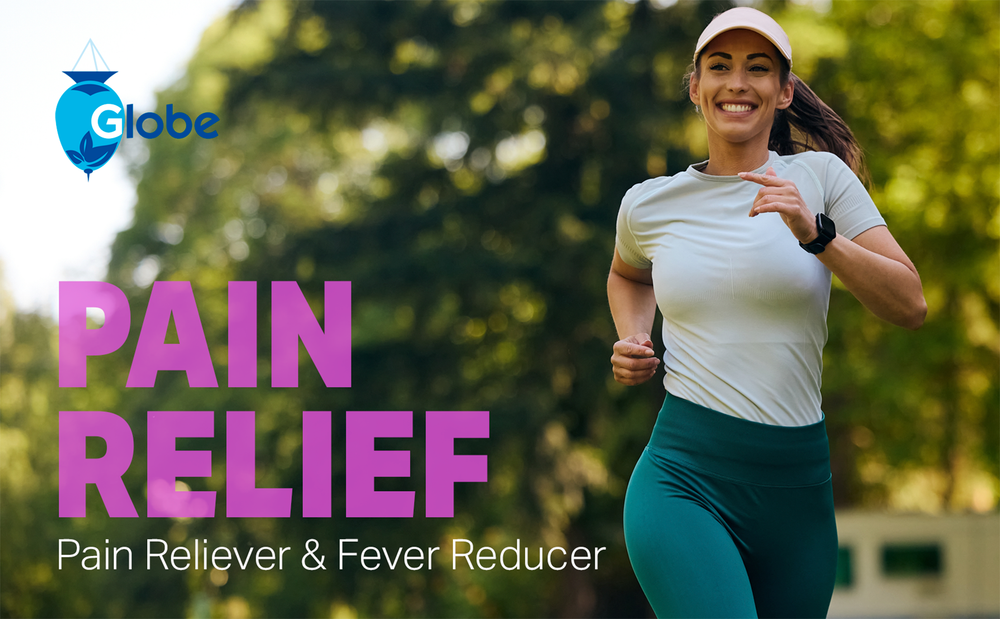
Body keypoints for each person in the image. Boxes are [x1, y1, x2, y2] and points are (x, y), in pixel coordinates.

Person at [608, 7, 926, 618]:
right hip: (684, 478)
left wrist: (817, 234)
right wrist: (633, 336)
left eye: (758, 69)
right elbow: (626, 275)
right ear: (695, 87)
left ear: (782, 92)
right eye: (719, 67)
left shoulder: (821, 177)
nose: (737, 83)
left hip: (797, 490)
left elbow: (909, 304)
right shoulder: (649, 204)